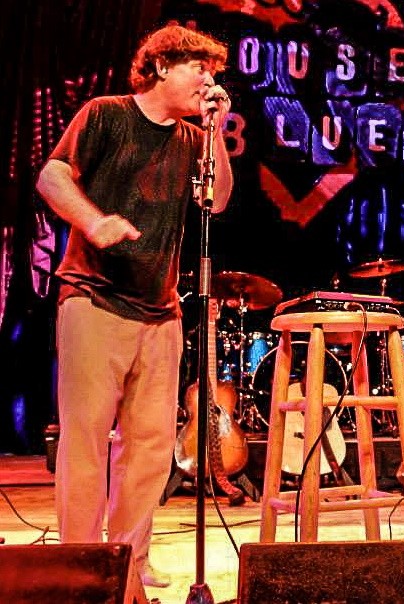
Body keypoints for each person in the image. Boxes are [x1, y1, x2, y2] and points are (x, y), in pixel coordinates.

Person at [35, 24, 233, 587]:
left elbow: (216, 201)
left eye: (213, 71)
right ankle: (81, 565)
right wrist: (94, 221)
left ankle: (129, 561)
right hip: (93, 297)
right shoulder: (106, 114)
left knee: (150, 447)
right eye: (198, 68)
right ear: (162, 66)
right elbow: (52, 175)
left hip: (160, 309)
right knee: (86, 440)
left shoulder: (194, 139)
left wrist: (216, 133)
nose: (208, 80)